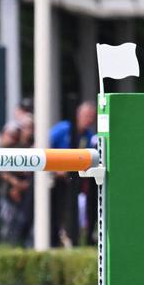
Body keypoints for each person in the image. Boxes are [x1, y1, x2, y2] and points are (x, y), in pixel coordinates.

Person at [48, 101, 97, 246]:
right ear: (78, 115)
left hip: (71, 182)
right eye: (87, 116)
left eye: (92, 117)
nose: (89, 120)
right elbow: (44, 145)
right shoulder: (63, 129)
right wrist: (55, 169)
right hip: (52, 179)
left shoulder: (88, 137)